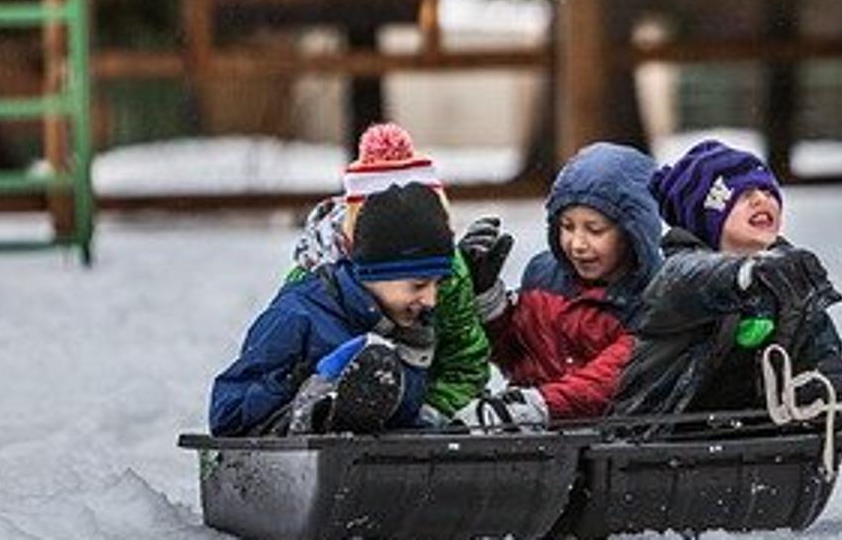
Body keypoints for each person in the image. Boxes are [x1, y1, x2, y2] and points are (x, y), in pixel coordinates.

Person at [612, 139, 842, 431]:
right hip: (653, 440)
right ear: (705, 218)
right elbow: (700, 276)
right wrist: (747, 272)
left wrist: (836, 403)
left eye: (767, 190)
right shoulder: (677, 276)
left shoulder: (786, 276)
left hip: (752, 437)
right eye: (743, 195)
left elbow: (820, 348)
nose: (761, 200)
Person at [211, 182, 463, 435]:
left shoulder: (413, 327)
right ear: (373, 274)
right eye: (418, 285)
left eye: (436, 285)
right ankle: (318, 413)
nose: (431, 299)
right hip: (291, 459)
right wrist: (300, 383)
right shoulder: (298, 316)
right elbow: (227, 415)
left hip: (372, 465)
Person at [283, 122, 490, 423]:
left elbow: (466, 360)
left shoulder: (448, 274)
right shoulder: (312, 278)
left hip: (422, 409)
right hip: (330, 418)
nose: (430, 296)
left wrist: (432, 411)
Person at [458, 142, 664, 428]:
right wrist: (486, 298)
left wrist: (533, 406)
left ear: (633, 232)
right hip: (532, 440)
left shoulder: (653, 297)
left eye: (595, 230)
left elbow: (609, 381)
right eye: (567, 227)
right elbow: (515, 353)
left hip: (608, 444)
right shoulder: (544, 275)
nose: (577, 244)